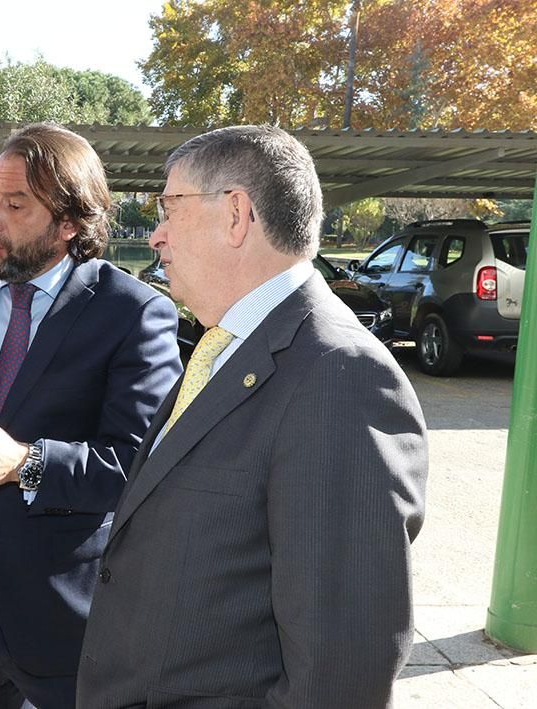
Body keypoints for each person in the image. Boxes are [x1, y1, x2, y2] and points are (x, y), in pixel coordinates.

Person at [77, 125, 428, 708]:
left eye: (169, 209)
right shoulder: (229, 342)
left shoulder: (337, 376)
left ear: (236, 214)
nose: (157, 235)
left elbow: (340, 672)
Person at [0, 123, 182, 709]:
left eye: (15, 204)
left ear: (70, 221)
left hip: (68, 615)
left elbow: (137, 468)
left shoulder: (134, 313)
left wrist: (26, 462)